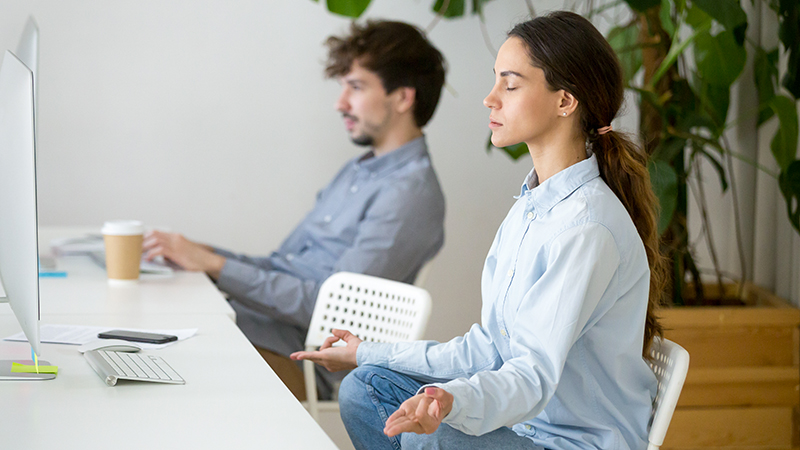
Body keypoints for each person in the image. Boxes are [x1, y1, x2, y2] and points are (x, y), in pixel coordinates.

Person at [291, 11, 667, 450]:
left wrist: (450, 400)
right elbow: (487, 349)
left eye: (510, 85)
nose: (490, 99)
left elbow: (531, 376)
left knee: (425, 440)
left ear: (565, 102)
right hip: (522, 425)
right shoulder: (531, 208)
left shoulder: (586, 228)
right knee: (365, 386)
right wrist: (365, 351)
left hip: (565, 442)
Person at [143, 20, 447, 401]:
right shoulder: (358, 171)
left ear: (403, 98)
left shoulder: (410, 195)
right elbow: (281, 264)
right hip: (261, 328)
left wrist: (216, 267)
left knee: (163, 357)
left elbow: (336, 313)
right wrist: (200, 254)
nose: (340, 103)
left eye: (355, 87)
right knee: (145, 322)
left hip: (303, 361)